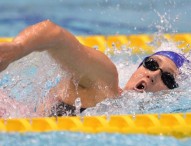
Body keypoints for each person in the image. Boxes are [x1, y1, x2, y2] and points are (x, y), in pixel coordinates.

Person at [0, 20, 188, 117]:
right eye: (152, 64)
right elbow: (53, 33)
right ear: (139, 66)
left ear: (171, 93)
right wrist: (17, 49)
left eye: (168, 79)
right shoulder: (105, 81)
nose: (153, 74)